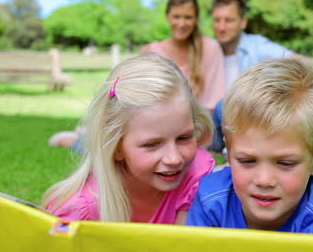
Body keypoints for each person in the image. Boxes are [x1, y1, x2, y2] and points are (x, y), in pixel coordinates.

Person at [186, 58, 313, 236]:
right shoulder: (211, 199)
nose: (264, 180)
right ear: (228, 152)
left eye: (285, 163)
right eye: (247, 161)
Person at [42, 53, 216, 224]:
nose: (174, 158)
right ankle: (75, 139)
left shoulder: (195, 175)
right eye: (153, 144)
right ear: (117, 147)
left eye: (183, 138)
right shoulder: (82, 209)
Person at [49, 0, 225, 152]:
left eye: (188, 17)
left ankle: (83, 138)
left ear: (196, 19)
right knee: (123, 148)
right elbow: (142, 99)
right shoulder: (152, 51)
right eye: (176, 16)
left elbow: (213, 102)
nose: (181, 23)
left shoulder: (210, 48)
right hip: (158, 124)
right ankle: (79, 140)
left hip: (200, 127)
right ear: (167, 16)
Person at [209, 0, 302, 152]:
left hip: (251, 120)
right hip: (215, 126)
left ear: (243, 22)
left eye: (229, 20)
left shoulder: (256, 46)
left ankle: (233, 153)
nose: (221, 27)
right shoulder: (209, 50)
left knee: (227, 103)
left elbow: (303, 64)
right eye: (217, 20)